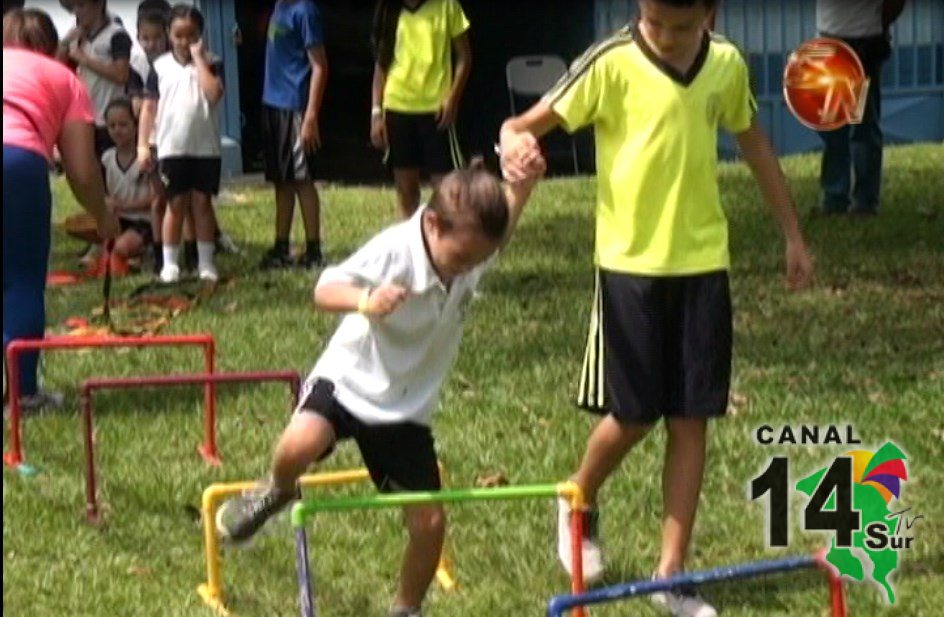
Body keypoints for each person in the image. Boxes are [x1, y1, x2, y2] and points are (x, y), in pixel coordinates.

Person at [500, 0, 814, 614]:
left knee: (692, 416)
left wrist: (792, 235)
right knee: (635, 414)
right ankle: (578, 495)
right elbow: (524, 125)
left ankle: (671, 570)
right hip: (629, 268)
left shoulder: (725, 65)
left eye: (681, 26)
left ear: (710, 14)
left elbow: (752, 141)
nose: (666, 38)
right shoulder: (611, 61)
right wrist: (514, 148)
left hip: (703, 264)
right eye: (654, 23)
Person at [215, 154, 545, 617]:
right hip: (351, 380)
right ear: (432, 224)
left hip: (406, 406)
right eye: (462, 258)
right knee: (297, 445)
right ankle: (279, 489)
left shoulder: (471, 249)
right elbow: (324, 289)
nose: (468, 268)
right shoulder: (396, 249)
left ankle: (406, 610)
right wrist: (366, 299)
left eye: (479, 259)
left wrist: (523, 188)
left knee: (429, 523)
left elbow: (500, 229)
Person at [3, 8, 120, 409]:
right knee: (20, 281)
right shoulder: (64, 79)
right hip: (17, 162)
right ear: (53, 46)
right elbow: (82, 171)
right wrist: (103, 218)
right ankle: (22, 395)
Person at [138, 5, 224, 283]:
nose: (185, 42)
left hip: (205, 148)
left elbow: (213, 94)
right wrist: (143, 144)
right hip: (172, 147)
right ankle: (170, 263)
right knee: (175, 204)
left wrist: (200, 60)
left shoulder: (211, 62)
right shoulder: (159, 67)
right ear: (168, 35)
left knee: (202, 204)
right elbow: (149, 108)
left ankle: (206, 262)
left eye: (192, 35)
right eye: (179, 35)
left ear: (201, 35)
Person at [370, 0, 472, 218]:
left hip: (436, 111)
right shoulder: (389, 9)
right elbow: (381, 65)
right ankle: (410, 247)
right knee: (406, 192)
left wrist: (453, 98)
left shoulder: (447, 5)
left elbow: (464, 57)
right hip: (397, 108)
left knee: (447, 190)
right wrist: (376, 113)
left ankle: (447, 246)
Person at [815, 0, 906, 215]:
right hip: (845, 34)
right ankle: (848, 199)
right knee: (842, 124)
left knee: (855, 123)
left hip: (860, 37)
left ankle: (848, 199)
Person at [258, 0, 329, 271]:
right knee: (281, 180)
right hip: (272, 104)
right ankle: (281, 245)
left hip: (294, 105)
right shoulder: (278, 6)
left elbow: (320, 66)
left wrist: (310, 115)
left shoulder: (305, 11)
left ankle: (313, 249)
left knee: (302, 179)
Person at [56, 0, 132, 159]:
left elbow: (121, 75)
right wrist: (64, 44)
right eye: (73, 7)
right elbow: (56, 69)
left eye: (82, 5)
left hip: (110, 122)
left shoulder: (116, 34)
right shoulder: (77, 37)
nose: (77, 11)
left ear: (99, 5)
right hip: (85, 120)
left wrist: (85, 60)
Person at [126, 5, 169, 274]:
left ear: (165, 36)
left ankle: (187, 247)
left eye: (156, 38)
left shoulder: (172, 63)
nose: (151, 44)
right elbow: (136, 105)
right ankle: (159, 252)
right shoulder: (137, 66)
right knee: (157, 199)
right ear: (138, 37)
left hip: (174, 137)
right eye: (145, 38)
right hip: (152, 139)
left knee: (180, 199)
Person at [101, 98, 156, 265]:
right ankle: (133, 255)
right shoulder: (107, 158)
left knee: (119, 250)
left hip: (143, 221)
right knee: (104, 254)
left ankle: (148, 249)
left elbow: (156, 199)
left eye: (123, 125)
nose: (117, 130)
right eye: (112, 126)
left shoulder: (147, 159)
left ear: (136, 125)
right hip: (117, 221)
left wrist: (122, 205)